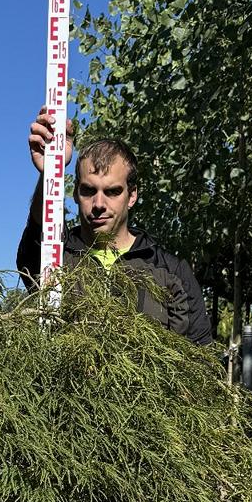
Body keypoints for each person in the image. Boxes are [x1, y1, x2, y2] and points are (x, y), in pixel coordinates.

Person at [16, 108, 213, 347]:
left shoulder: (170, 270)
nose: (99, 204)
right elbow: (39, 230)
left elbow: (200, 361)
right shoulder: (57, 258)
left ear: (132, 195)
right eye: (89, 190)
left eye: (112, 191)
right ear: (76, 192)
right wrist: (50, 172)